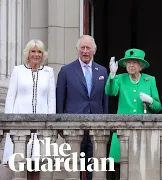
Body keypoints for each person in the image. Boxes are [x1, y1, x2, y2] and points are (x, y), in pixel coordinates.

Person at [56, 35, 109, 180]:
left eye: (88, 48)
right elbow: (60, 98)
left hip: (97, 127)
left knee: (95, 168)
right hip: (74, 126)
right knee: (74, 168)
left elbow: (105, 100)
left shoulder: (102, 71)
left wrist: (106, 123)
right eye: (82, 48)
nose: (85, 51)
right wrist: (60, 124)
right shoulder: (66, 71)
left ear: (94, 51)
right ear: (78, 50)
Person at [4, 39, 56, 180]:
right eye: (33, 51)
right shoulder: (18, 70)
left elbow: (51, 100)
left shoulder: (49, 72)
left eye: (39, 51)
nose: (36, 54)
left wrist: (51, 126)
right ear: (28, 53)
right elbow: (10, 98)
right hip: (20, 124)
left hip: (42, 126)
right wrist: (8, 125)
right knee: (20, 164)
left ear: (43, 54)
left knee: (38, 164)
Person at [105, 48, 162, 114]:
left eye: (134, 62)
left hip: (143, 122)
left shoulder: (150, 80)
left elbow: (158, 108)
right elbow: (110, 92)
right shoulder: (120, 78)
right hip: (124, 122)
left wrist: (150, 101)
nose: (131, 65)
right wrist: (112, 74)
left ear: (141, 66)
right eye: (128, 62)